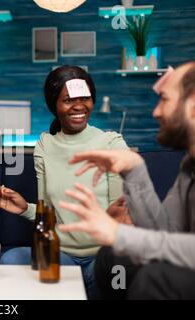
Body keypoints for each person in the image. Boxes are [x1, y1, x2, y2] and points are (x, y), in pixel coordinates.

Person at [58, 62, 195, 299]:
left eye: (164, 99)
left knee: (157, 278)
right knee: (113, 256)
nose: (156, 112)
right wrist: (135, 170)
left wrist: (118, 233)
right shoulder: (188, 167)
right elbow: (165, 233)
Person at [0, 66, 130, 299]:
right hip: (61, 257)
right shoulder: (45, 146)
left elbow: (121, 214)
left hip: (104, 257)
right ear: (54, 105)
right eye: (68, 100)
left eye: (85, 98)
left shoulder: (111, 144)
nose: (78, 106)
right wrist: (25, 209)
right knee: (10, 259)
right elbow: (49, 215)